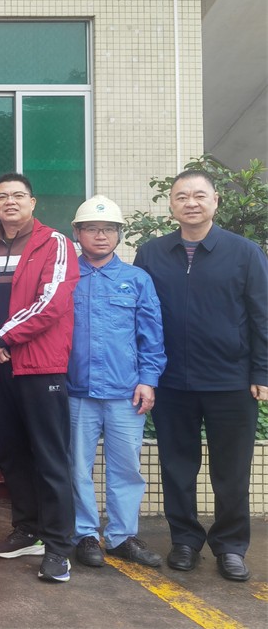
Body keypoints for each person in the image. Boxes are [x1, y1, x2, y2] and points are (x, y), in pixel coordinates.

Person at [135, 170, 268, 582]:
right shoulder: (151, 253)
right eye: (181, 196)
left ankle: (230, 546)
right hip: (172, 381)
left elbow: (262, 316)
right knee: (177, 467)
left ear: (215, 201)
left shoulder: (245, 252)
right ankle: (185, 541)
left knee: (232, 471)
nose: (190, 203)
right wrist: (145, 373)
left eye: (199, 195)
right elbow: (140, 318)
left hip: (231, 380)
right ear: (171, 204)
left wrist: (262, 370)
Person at [0, 172, 79, 583]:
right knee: (12, 452)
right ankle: (28, 529)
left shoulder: (55, 243)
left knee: (50, 456)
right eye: (2, 196)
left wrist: (2, 338)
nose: (10, 202)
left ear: (33, 202)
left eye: (19, 195)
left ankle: (58, 546)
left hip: (39, 365)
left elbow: (52, 299)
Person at [67, 195, 166, 570]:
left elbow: (151, 336)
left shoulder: (137, 280)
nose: (101, 235)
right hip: (77, 390)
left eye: (108, 229)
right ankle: (85, 534)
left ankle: (123, 536)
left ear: (119, 234)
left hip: (126, 392)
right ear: (77, 233)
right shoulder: (66, 278)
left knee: (127, 468)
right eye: (92, 228)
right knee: (77, 467)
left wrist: (148, 380)